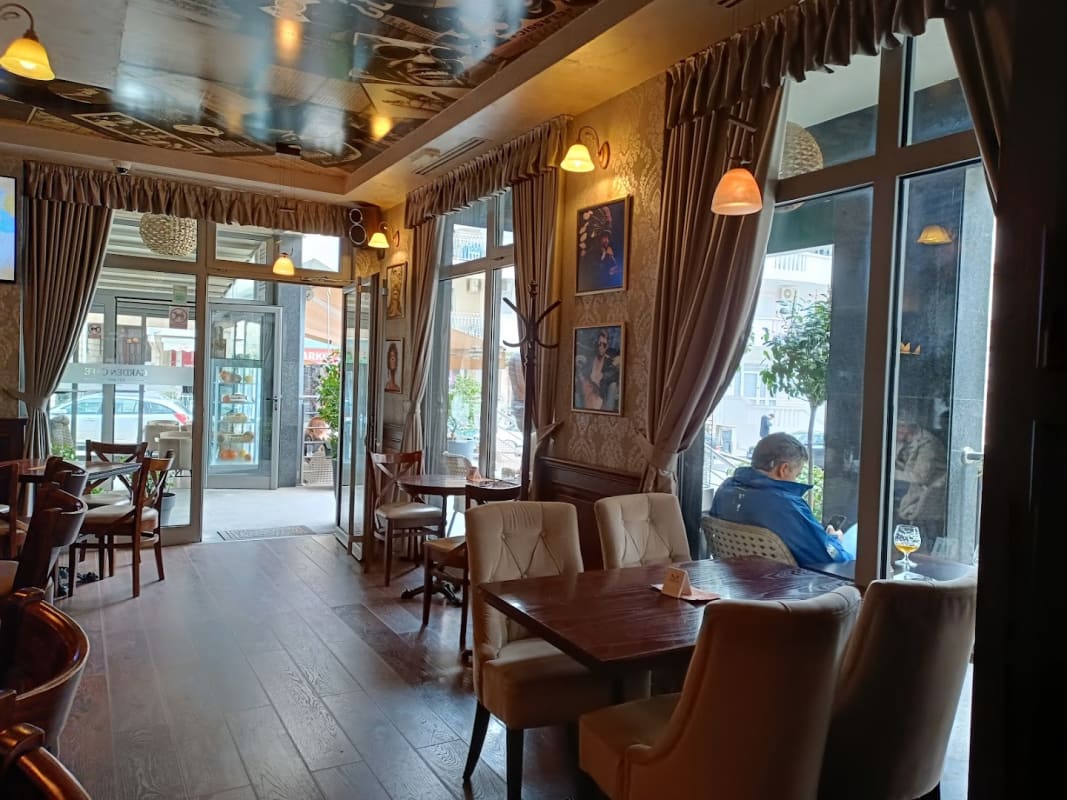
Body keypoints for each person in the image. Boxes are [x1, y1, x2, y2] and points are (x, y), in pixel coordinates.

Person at [709, 432, 853, 568]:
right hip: (787, 581)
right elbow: (829, 559)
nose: (796, 480)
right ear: (783, 469)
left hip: (737, 576)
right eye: (796, 475)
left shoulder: (725, 489)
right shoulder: (786, 506)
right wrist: (835, 541)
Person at [894, 418, 948, 540]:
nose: (896, 430)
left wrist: (887, 473)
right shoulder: (906, 440)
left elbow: (918, 477)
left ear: (907, 427)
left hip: (926, 495)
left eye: (899, 426)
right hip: (911, 489)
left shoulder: (928, 445)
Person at [575, 328, 620, 411]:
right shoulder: (588, 361)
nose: (601, 347)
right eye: (599, 344)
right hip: (585, 407)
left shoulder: (610, 365)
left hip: (601, 406)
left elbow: (612, 377)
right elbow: (581, 377)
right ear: (595, 344)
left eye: (604, 344)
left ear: (607, 345)